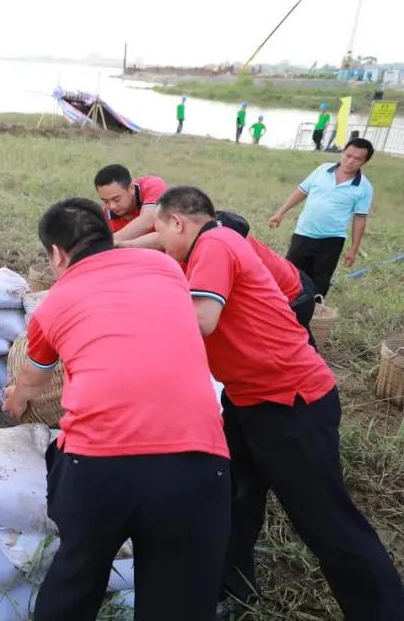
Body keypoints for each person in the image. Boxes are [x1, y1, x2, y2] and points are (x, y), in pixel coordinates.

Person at [154, 186, 404, 620]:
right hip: (246, 398)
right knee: (233, 497)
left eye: (160, 233)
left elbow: (201, 321)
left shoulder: (214, 243)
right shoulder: (210, 242)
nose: (160, 246)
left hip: (291, 402)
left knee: (324, 519)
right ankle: (235, 589)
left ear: (178, 222)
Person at [3, 198, 230, 621]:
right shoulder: (166, 270)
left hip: (98, 468)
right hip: (198, 463)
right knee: (179, 600)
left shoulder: (54, 302)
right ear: (109, 237)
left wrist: (15, 400)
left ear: (56, 254)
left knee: (76, 580)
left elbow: (34, 381)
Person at [269, 138, 375, 298]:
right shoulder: (323, 169)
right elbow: (302, 191)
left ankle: (311, 314)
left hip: (331, 240)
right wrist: (280, 212)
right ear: (343, 153)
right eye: (348, 155)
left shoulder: (364, 187)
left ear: (365, 162)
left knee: (319, 281)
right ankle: (280, 307)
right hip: (303, 233)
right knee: (289, 274)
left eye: (357, 159)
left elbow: (360, 219)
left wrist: (354, 248)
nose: (350, 161)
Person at [215, 211, 317, 347]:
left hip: (295, 297)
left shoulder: (225, 252)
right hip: (292, 283)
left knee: (294, 348)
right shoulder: (222, 233)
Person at [93, 164, 166, 245]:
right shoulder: (105, 218)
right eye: (106, 201)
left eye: (116, 199)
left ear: (131, 188)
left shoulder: (152, 185)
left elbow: (148, 220)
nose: (112, 206)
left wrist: (106, 243)